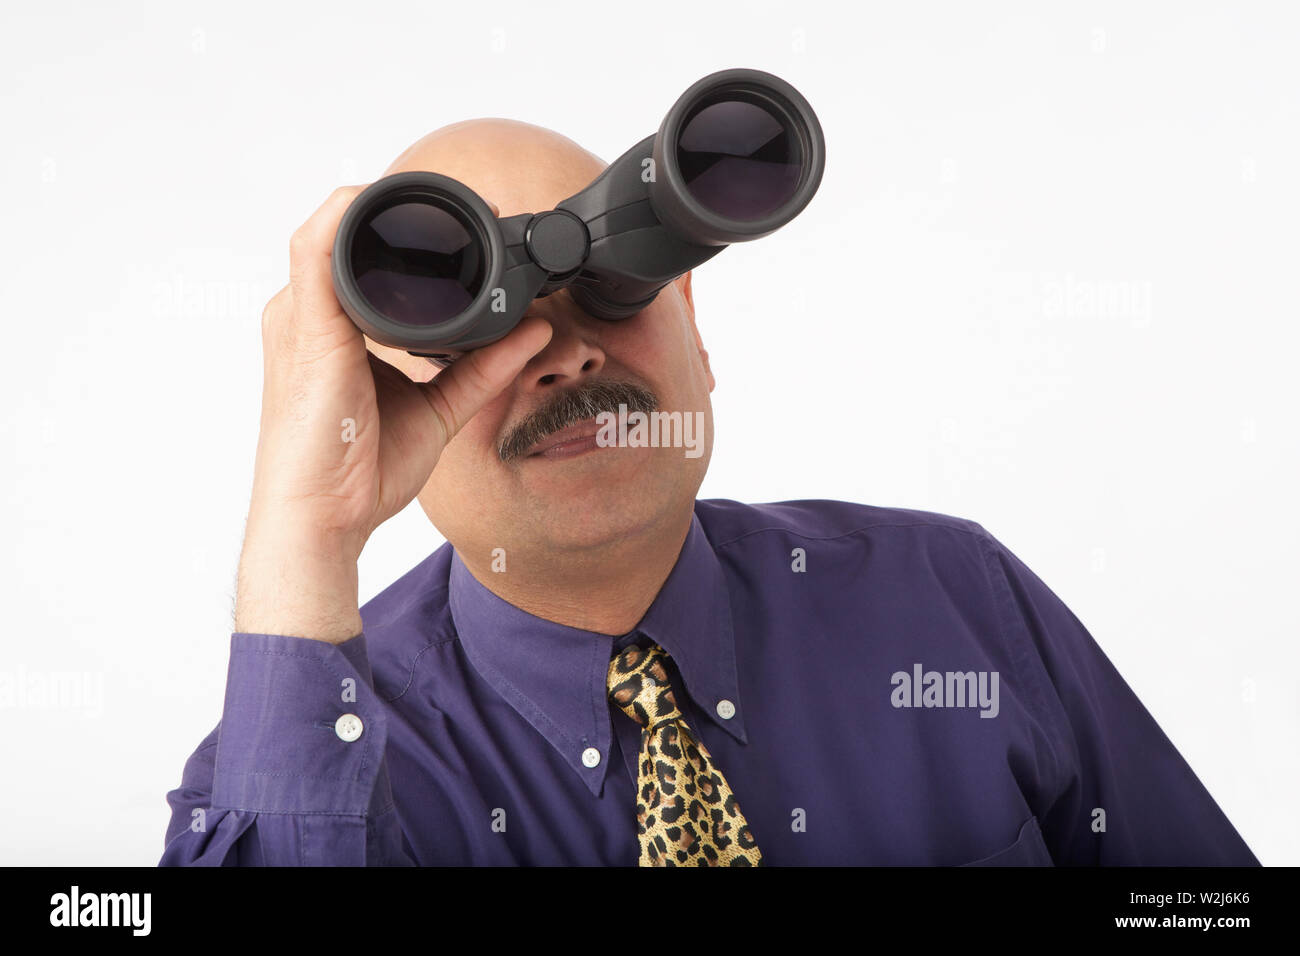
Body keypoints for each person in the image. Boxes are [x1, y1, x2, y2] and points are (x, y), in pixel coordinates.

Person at [160, 118, 1258, 866]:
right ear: (370, 392)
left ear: (692, 312)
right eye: (477, 322)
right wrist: (302, 534)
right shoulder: (310, 753)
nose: (563, 355)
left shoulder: (953, 600)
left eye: (611, 282)